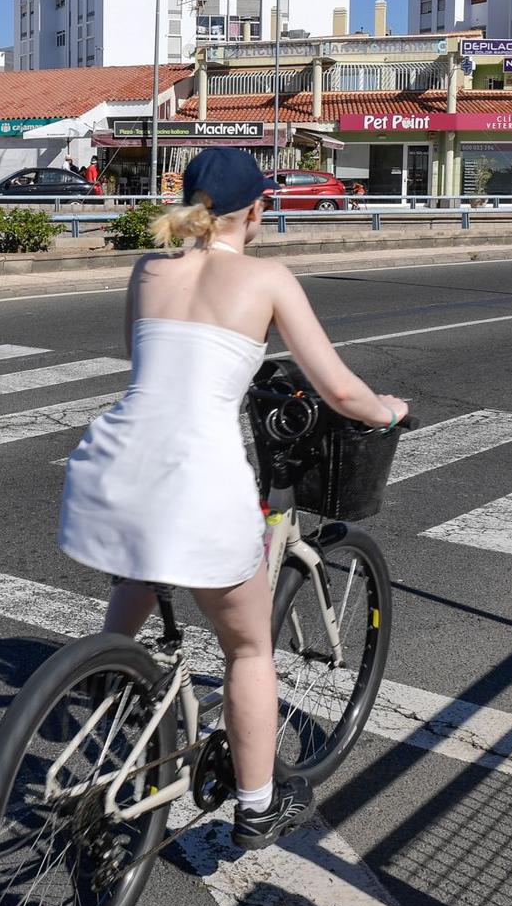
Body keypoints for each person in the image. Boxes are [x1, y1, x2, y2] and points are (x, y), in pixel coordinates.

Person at [57, 148, 407, 851]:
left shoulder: (148, 268)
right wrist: (386, 411)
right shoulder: (267, 277)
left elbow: (153, 362)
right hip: (196, 478)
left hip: (113, 466)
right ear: (258, 209)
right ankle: (256, 804)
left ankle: (107, 678)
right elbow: (339, 391)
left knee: (142, 568)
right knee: (248, 649)